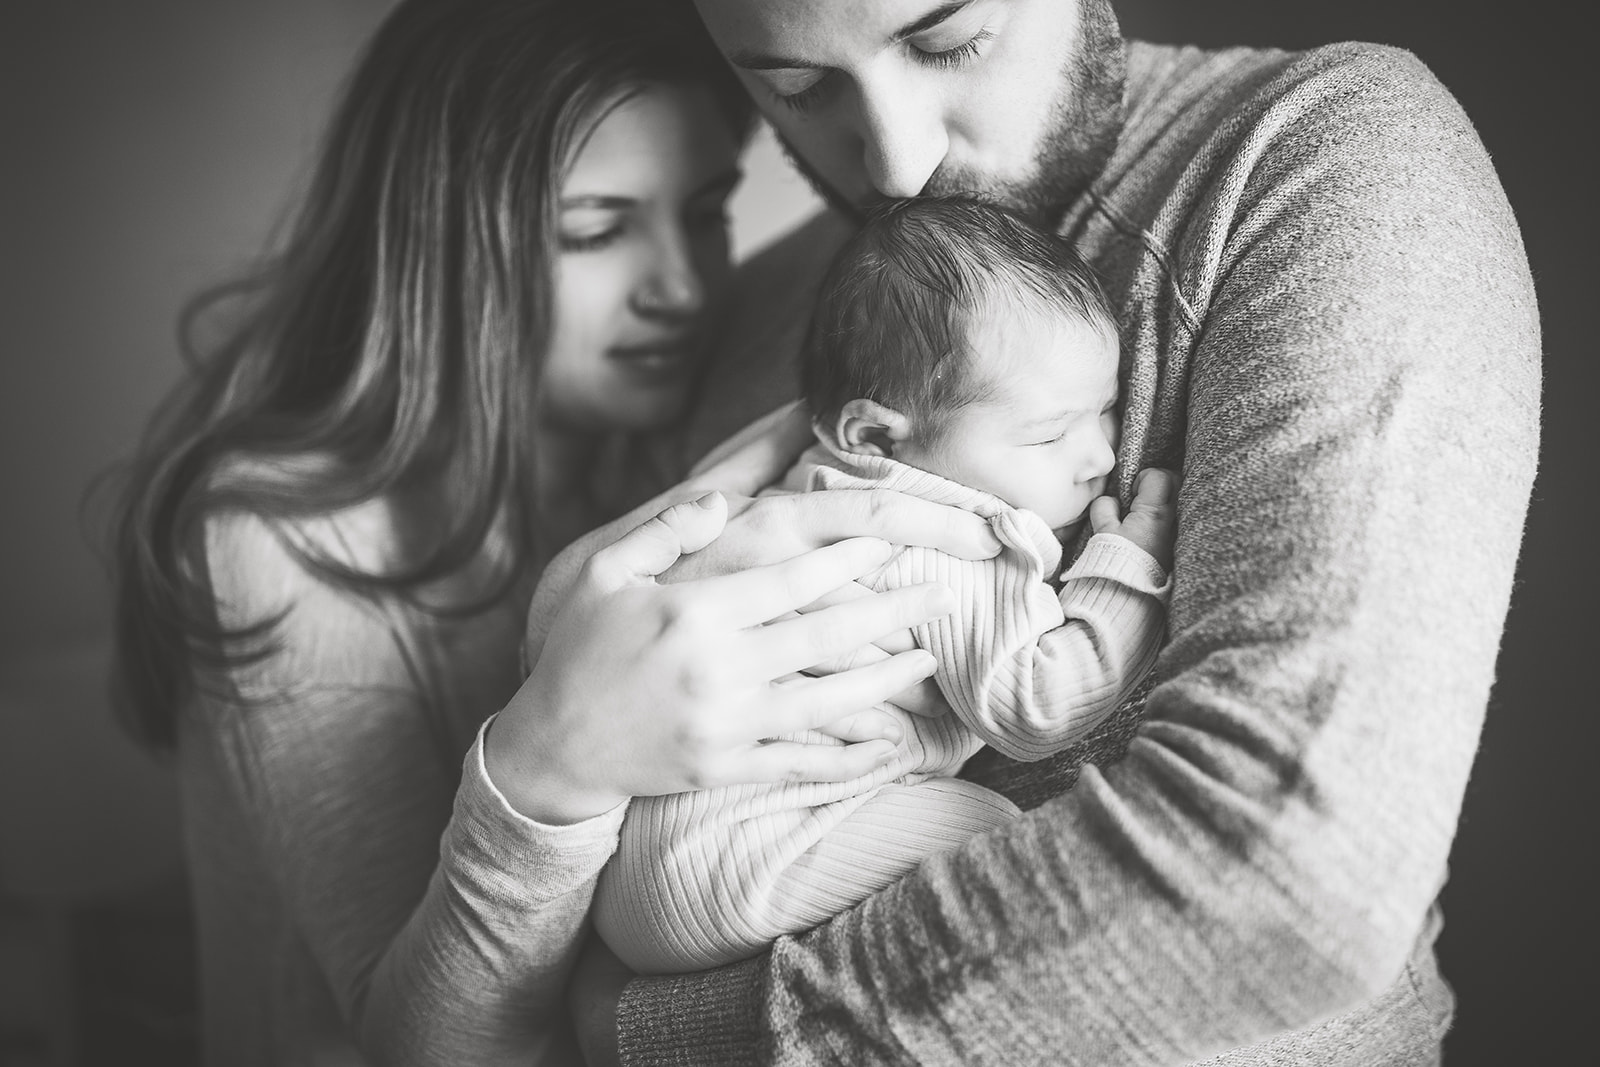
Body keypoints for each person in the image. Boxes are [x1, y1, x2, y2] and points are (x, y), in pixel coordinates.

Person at [541, 1, 1542, 1064]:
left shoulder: (1321, 158)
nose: (898, 162)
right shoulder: (765, 315)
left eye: (945, 41)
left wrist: (641, 1033)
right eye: (797, 86)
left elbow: (1285, 886)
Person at [105, 1, 1006, 1063]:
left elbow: (923, 211)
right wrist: (546, 769)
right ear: (436, 237)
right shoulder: (279, 536)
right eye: (598, 228)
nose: (680, 285)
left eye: (708, 211)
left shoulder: (672, 401)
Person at [595, 195, 1178, 974]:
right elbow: (1036, 707)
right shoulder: (948, 536)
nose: (1102, 456)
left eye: (1105, 412)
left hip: (644, 870)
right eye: (1047, 433)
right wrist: (1128, 567)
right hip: (740, 862)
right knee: (1009, 840)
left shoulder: (810, 485)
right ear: (875, 436)